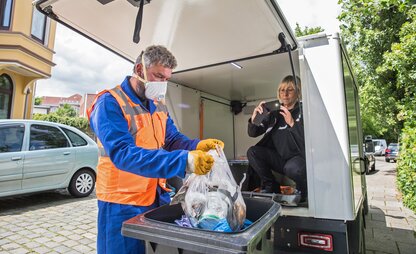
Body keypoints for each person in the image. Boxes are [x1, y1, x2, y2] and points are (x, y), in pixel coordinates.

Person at [88, 45, 224, 254]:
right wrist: (183, 161)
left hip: (153, 197)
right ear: (140, 70)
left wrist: (197, 146)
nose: (162, 84)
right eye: (158, 76)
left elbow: (171, 139)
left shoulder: (157, 105)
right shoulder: (109, 103)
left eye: (166, 79)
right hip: (120, 203)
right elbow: (123, 154)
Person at [246, 75, 306, 200]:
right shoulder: (273, 113)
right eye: (282, 90)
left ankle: (304, 189)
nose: (285, 93)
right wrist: (255, 118)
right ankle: (271, 185)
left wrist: (292, 123)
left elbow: (307, 139)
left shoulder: (303, 110)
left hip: (298, 158)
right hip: (279, 159)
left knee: (292, 168)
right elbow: (253, 133)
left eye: (290, 90)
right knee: (253, 152)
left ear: (298, 92)